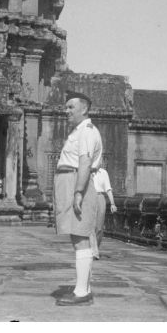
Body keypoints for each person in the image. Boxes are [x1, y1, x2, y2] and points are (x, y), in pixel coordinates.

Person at [54, 91, 103, 306]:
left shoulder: (87, 131)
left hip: (76, 182)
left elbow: (84, 163)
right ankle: (85, 288)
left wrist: (78, 192)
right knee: (76, 236)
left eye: (71, 107)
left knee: (80, 237)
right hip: (69, 180)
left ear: (84, 109)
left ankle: (82, 292)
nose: (67, 111)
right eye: (66, 107)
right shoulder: (78, 131)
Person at [90, 166, 117, 259]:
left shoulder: (104, 172)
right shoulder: (86, 170)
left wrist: (112, 203)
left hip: (100, 197)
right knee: (90, 226)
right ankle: (93, 252)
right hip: (89, 198)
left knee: (99, 227)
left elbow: (108, 189)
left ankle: (95, 248)